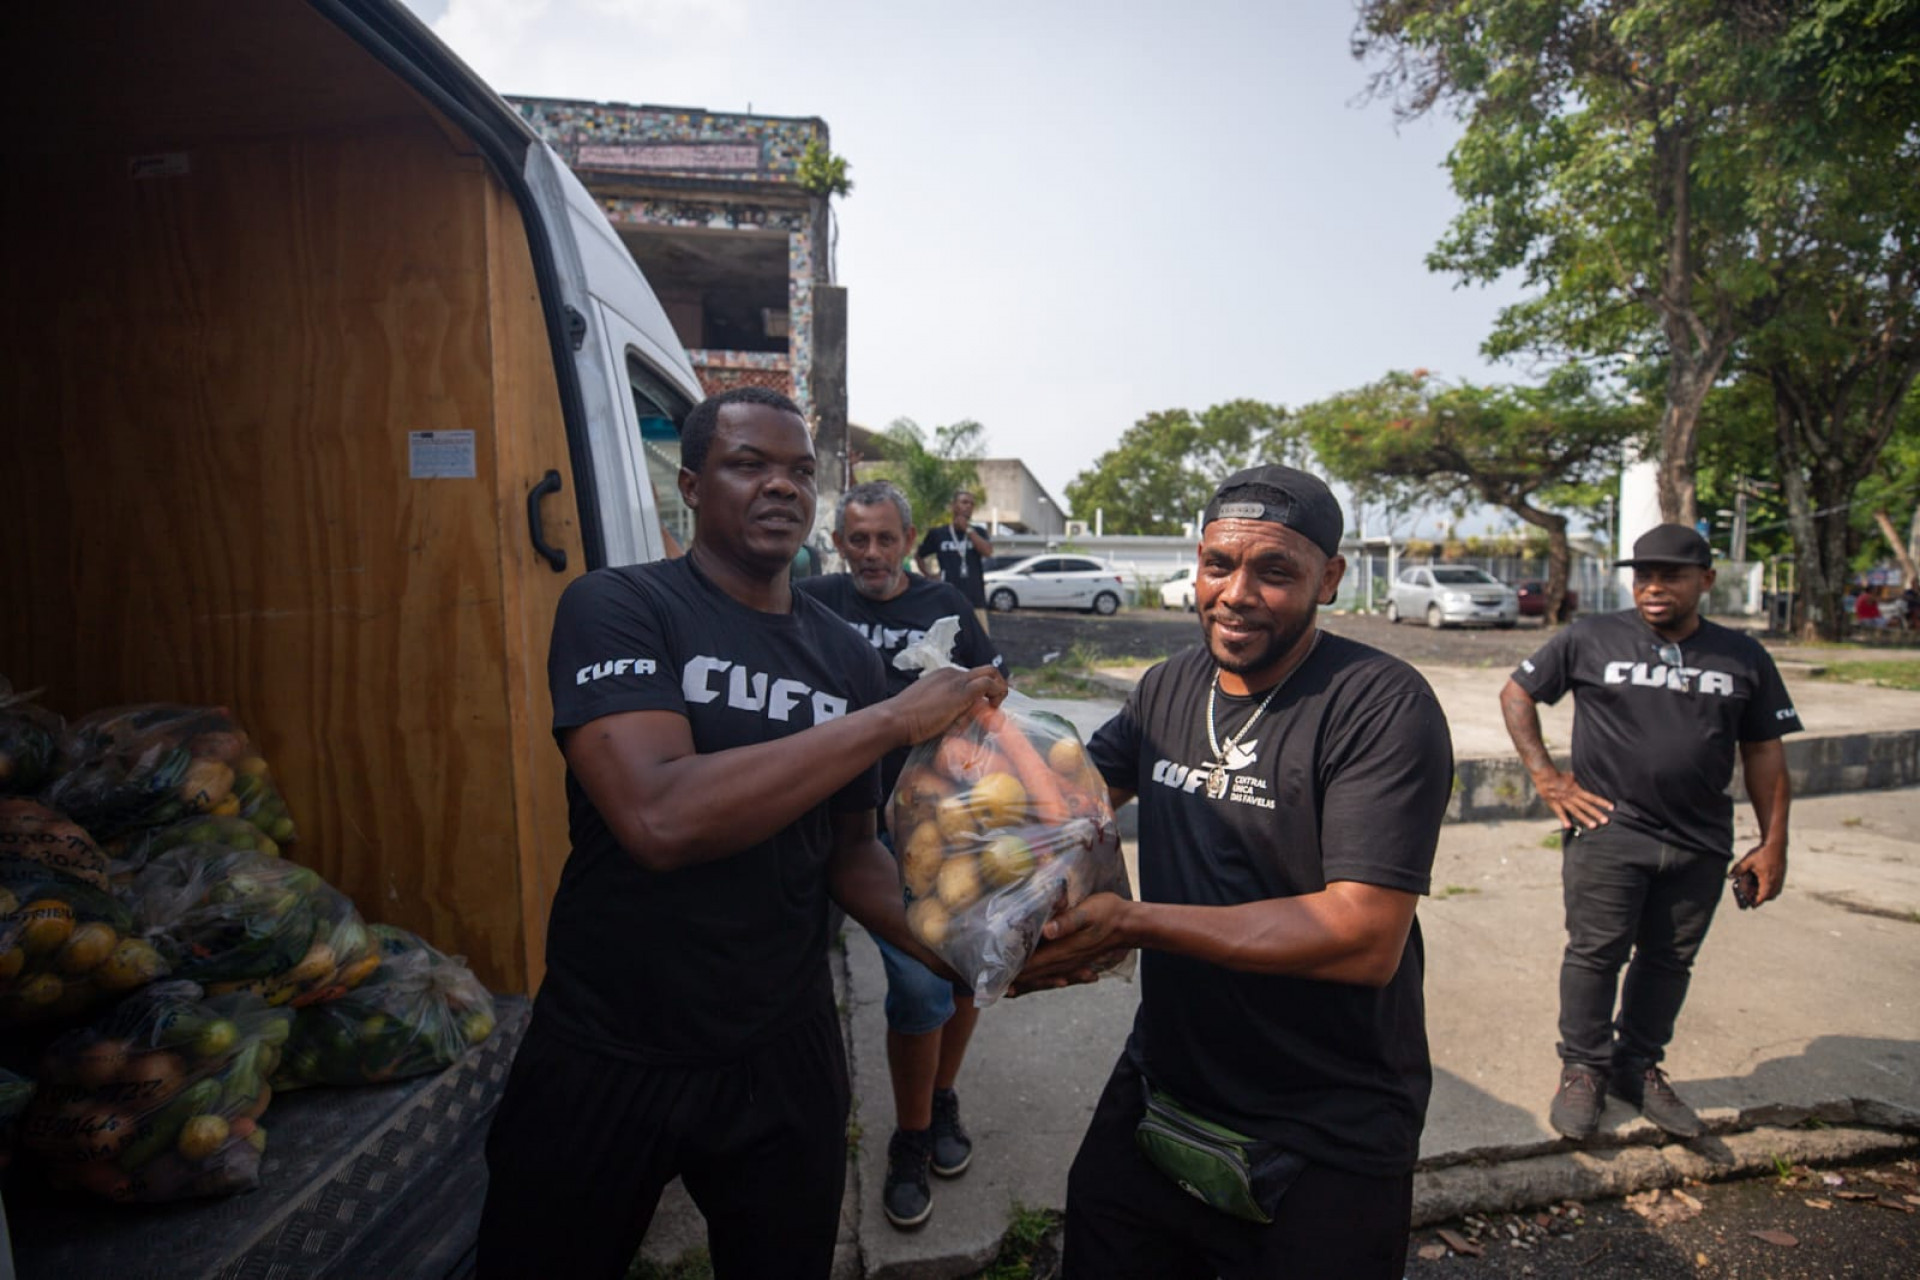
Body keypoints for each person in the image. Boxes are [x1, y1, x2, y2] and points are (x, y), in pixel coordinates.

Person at [476, 387, 1006, 1280]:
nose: (781, 487)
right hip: (609, 1045)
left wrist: (970, 948)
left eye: (799, 471)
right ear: (691, 483)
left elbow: (851, 853)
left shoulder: (842, 652)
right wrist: (887, 721)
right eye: (748, 465)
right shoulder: (619, 606)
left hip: (781, 1049)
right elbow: (659, 817)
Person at [1016, 465, 1453, 1279]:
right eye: (1220, 564)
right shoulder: (1169, 686)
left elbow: (1362, 936)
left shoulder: (1379, 704)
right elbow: (1065, 809)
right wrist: (966, 755)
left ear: (1329, 577)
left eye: (1274, 571)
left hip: (1326, 1120)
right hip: (1167, 1077)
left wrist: (1134, 922)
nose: (1236, 593)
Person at [1500, 523, 1800, 1143]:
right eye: (1643, 575)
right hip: (1610, 830)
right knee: (1595, 952)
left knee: (1669, 960)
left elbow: (1764, 753)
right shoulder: (1591, 637)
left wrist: (1774, 844)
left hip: (1700, 840)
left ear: (1707, 581)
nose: (1654, 587)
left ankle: (1637, 1066)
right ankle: (1584, 1068)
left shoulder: (1742, 656)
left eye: (1671, 575)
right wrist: (1547, 778)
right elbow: (1516, 693)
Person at [796, 480, 1004, 1230]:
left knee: (968, 968)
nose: (872, 554)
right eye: (858, 540)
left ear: (911, 541)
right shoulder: (812, 601)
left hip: (935, 825)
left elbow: (996, 693)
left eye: (886, 539)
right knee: (919, 993)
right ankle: (911, 1138)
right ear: (839, 542)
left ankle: (937, 1099)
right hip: (838, 826)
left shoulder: (947, 607)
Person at [915, 489, 993, 632]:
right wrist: (929, 576)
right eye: (964, 502)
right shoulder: (938, 534)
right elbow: (919, 555)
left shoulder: (978, 532)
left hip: (975, 599)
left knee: (981, 648)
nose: (968, 506)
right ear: (953, 506)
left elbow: (987, 551)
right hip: (947, 599)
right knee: (947, 647)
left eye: (971, 504)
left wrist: (968, 531)